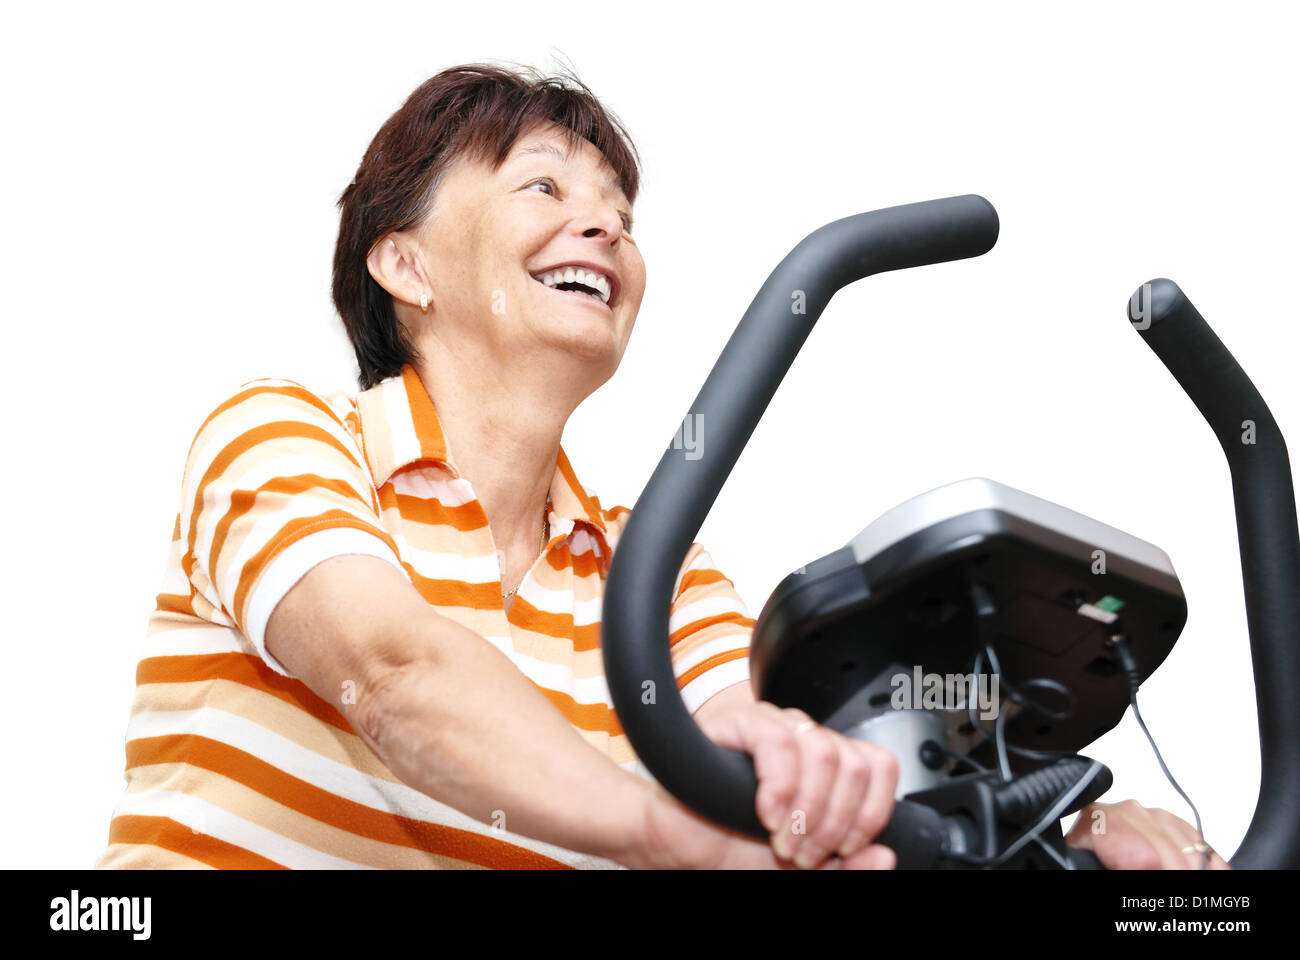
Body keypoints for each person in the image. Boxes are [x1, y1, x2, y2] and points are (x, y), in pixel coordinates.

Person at [97, 61, 1227, 870]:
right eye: (544, 188)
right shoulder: (281, 434)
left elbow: (767, 756)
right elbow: (391, 672)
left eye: (620, 214)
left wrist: (1062, 833)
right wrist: (661, 828)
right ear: (405, 263)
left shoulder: (655, 572)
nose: (604, 230)